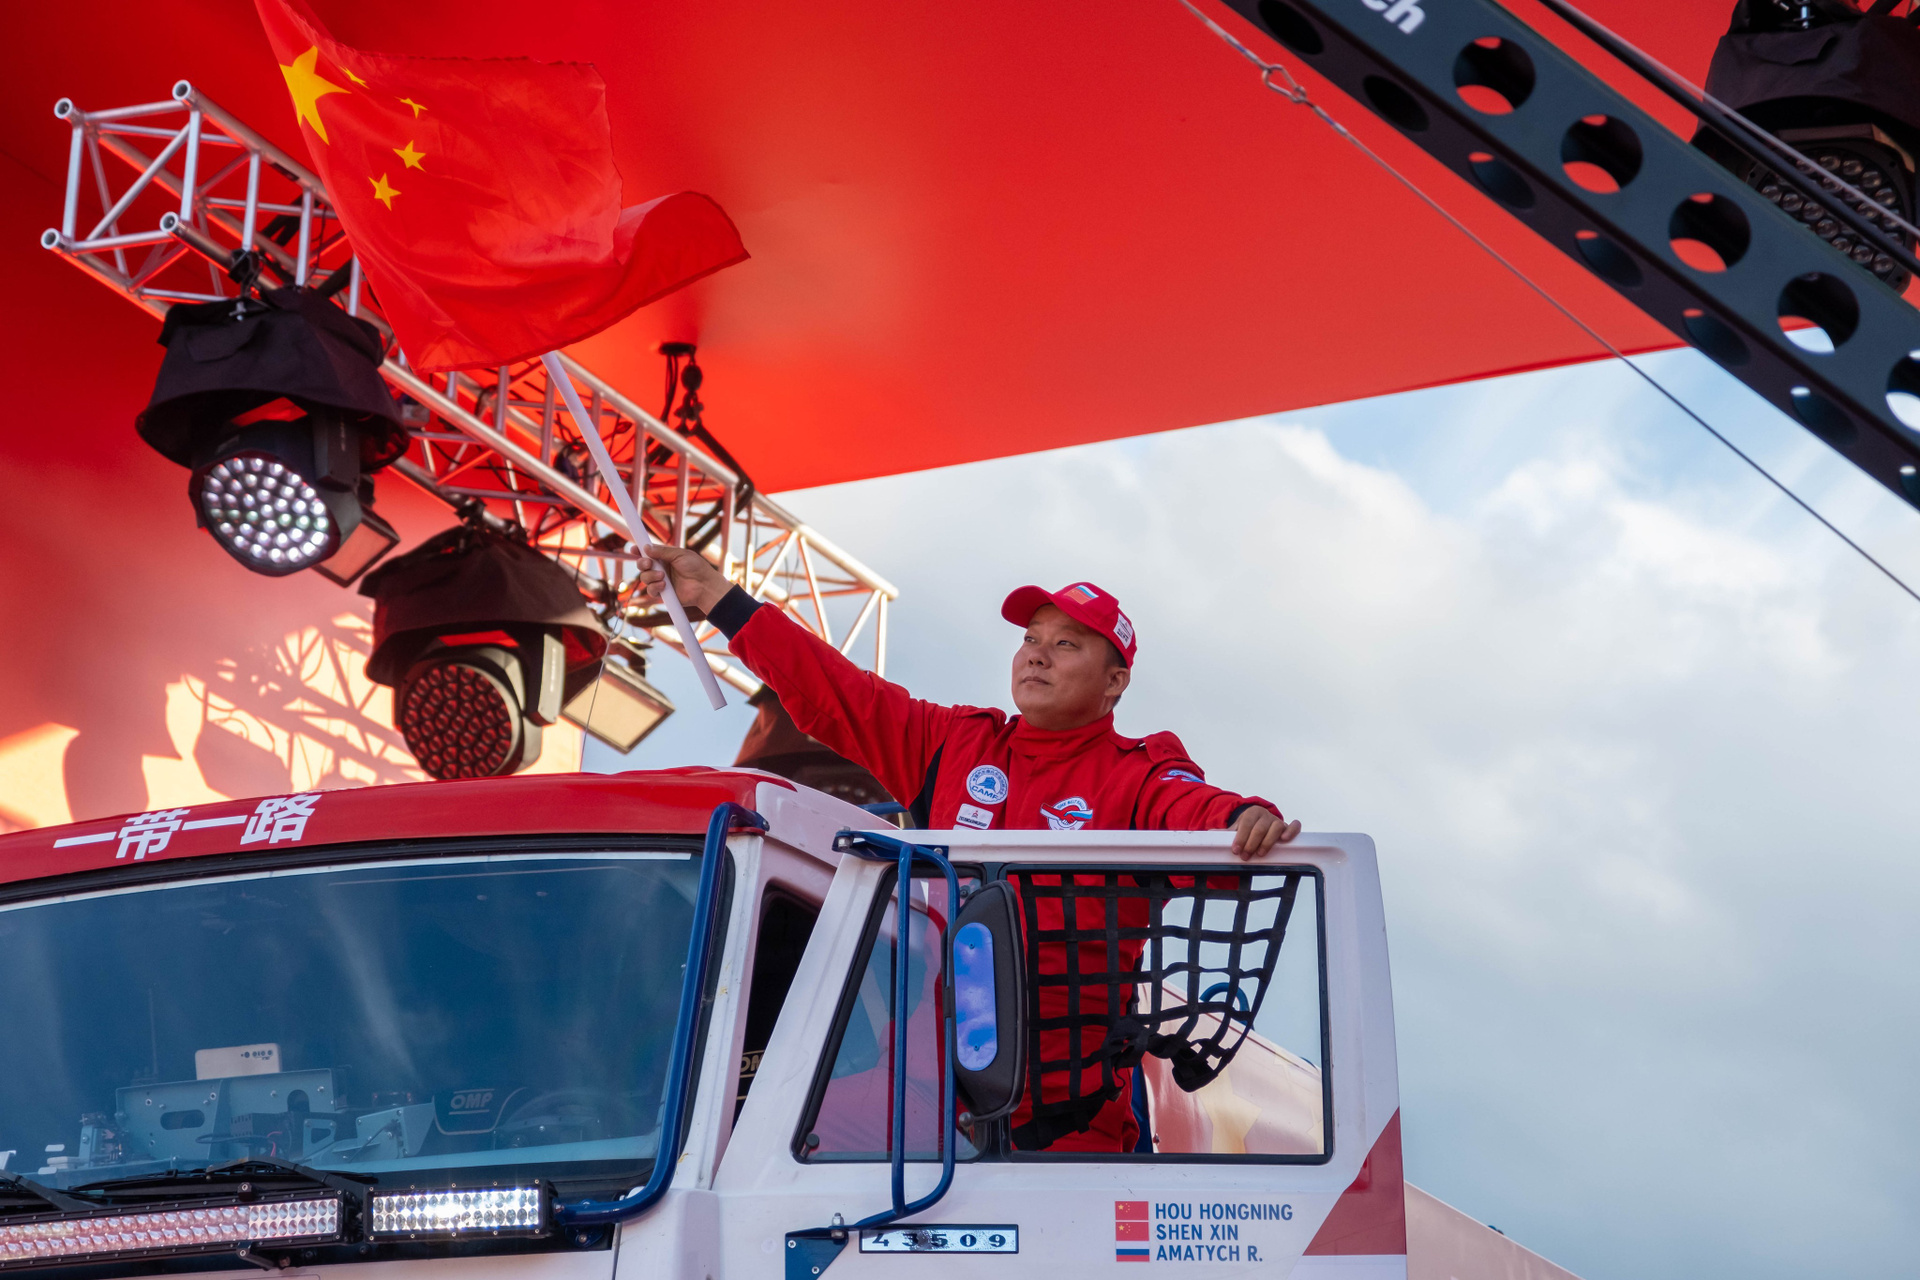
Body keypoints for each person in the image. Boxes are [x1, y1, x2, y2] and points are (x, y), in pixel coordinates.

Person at [634, 549, 1301, 1150]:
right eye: (1030, 639)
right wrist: (717, 596)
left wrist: (1243, 818)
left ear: (1114, 682)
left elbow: (1201, 816)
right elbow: (835, 691)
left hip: (1066, 1119)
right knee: (754, 1143)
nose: (1036, 655)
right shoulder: (957, 742)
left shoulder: (1139, 773)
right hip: (922, 1095)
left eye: (1065, 645)